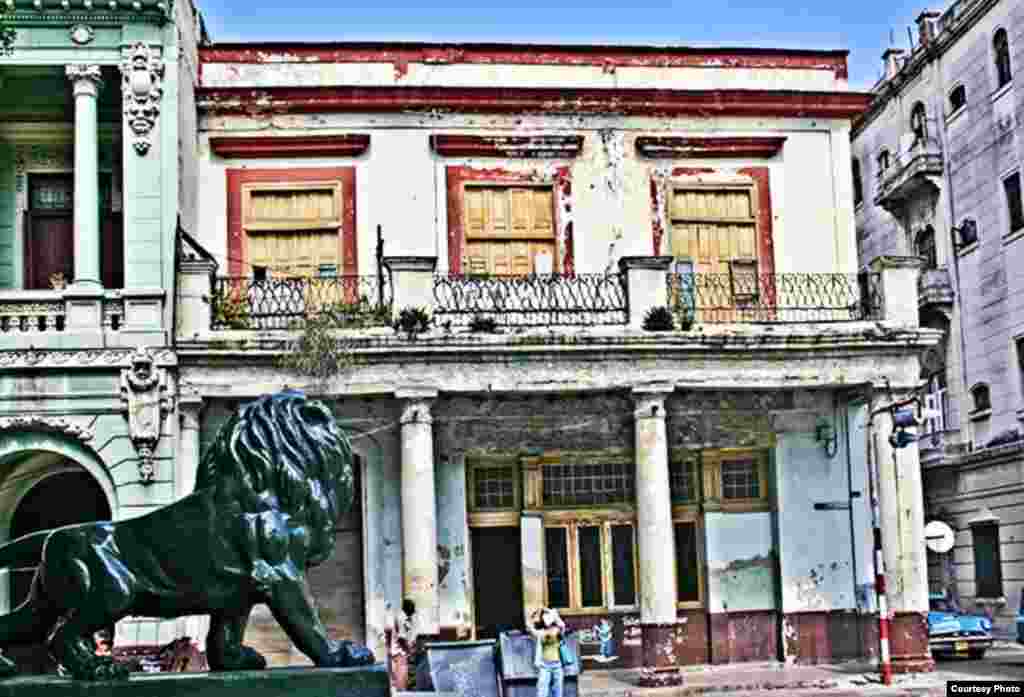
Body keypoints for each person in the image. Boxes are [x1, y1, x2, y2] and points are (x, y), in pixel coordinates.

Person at [528, 607, 566, 697]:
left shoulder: (557, 630)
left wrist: (548, 611)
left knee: (558, 691)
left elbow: (562, 624)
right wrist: (537, 612)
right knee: (542, 691)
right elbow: (530, 625)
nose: (547, 619)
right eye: (545, 618)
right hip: (545, 666)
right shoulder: (541, 632)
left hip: (557, 665)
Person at [390, 598, 418, 690]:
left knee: (400, 676)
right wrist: (409, 650)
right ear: (407, 608)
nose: (413, 611)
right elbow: (402, 638)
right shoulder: (401, 619)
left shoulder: (403, 617)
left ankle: (401, 690)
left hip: (400, 652)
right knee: (401, 678)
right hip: (400, 653)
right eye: (412, 609)